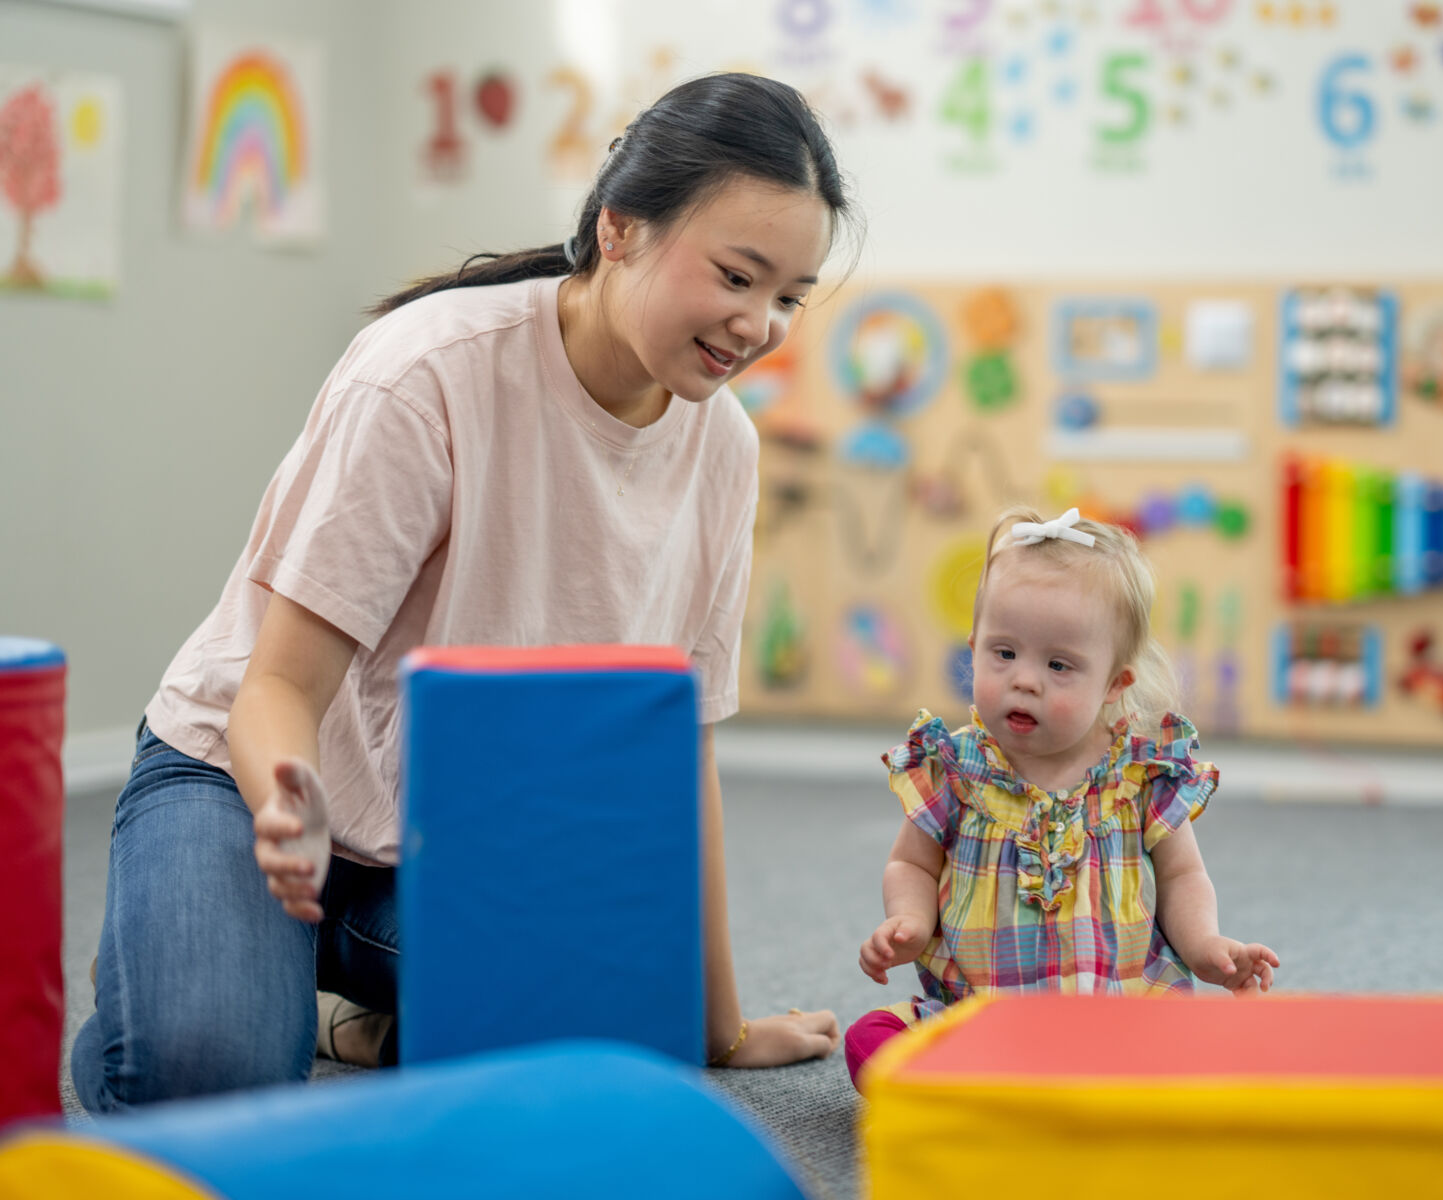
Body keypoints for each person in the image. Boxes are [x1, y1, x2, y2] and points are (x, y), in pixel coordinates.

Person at [72, 72, 852, 1113]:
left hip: (442, 845)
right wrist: (283, 805)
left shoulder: (722, 451)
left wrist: (714, 1026)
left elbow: (684, 750)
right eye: (737, 276)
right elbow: (275, 692)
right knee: (206, 1075)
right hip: (247, 780)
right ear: (619, 230)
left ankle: (352, 1022)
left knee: (617, 1023)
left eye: (789, 297)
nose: (759, 325)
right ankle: (186, 979)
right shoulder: (427, 374)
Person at [847, 505, 1279, 1089]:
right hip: (981, 1011)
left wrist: (1205, 948)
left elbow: (1181, 876)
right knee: (871, 1043)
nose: (1025, 679)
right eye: (1004, 653)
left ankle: (1068, 1089)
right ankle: (1009, 1086)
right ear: (972, 647)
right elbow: (911, 862)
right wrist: (909, 921)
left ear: (1113, 684)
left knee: (1206, 1056)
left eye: (1058, 664)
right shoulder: (955, 766)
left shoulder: (1136, 775)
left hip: (1116, 1012)